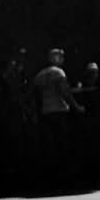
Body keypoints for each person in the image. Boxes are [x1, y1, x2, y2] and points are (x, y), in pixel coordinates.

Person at [32, 48, 81, 181]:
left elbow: (35, 97)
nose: (63, 59)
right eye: (61, 56)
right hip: (59, 111)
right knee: (62, 144)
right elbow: (65, 92)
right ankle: (65, 175)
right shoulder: (59, 73)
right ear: (55, 58)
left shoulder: (40, 75)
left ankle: (52, 176)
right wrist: (76, 106)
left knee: (50, 145)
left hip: (45, 113)